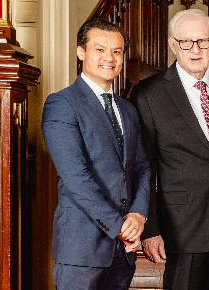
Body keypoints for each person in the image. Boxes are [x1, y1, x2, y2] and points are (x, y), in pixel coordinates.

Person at [131, 9, 209, 290]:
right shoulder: (149, 94)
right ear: (174, 45)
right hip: (182, 227)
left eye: (203, 41)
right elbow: (143, 167)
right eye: (187, 42)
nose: (195, 50)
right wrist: (151, 229)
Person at [42, 19, 150, 289]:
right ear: (81, 52)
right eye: (100, 49)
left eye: (117, 51)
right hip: (82, 250)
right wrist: (120, 229)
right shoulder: (62, 104)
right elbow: (76, 179)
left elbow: (142, 167)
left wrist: (138, 215)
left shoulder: (128, 109)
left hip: (123, 252)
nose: (109, 58)